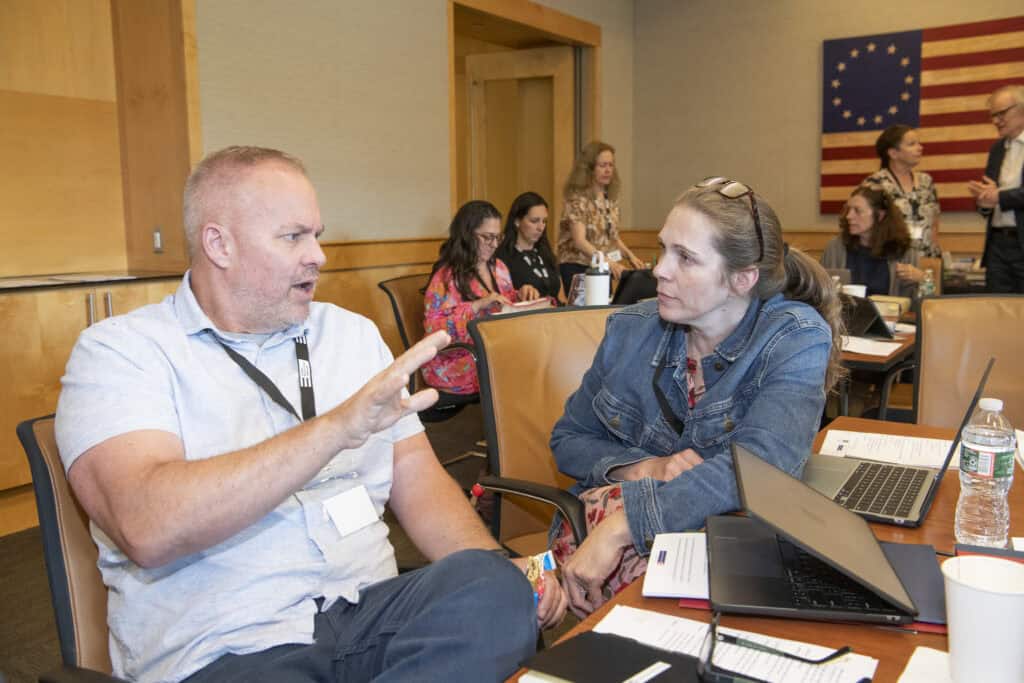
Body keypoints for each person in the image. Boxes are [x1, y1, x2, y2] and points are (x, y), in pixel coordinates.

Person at [54, 147, 566, 683]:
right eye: (293, 236)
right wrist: (335, 429)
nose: (318, 255)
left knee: (497, 590)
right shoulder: (121, 353)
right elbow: (146, 524)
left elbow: (418, 481)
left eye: (316, 235)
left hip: (368, 615)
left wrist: (502, 563)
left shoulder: (348, 335)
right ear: (218, 244)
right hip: (231, 646)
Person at [548, 177, 844, 616]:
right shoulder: (632, 329)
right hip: (628, 545)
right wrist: (645, 466)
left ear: (742, 278)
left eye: (685, 258)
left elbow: (759, 465)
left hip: (714, 543)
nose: (659, 270)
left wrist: (626, 525)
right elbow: (568, 441)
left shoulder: (793, 336)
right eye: (664, 248)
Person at [422, 200, 531, 395]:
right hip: (458, 359)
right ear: (467, 235)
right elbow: (433, 329)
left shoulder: (499, 267)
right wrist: (477, 305)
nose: (495, 244)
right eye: (487, 237)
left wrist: (522, 295)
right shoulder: (446, 277)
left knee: (533, 356)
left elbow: (506, 306)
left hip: (494, 349)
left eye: (498, 237)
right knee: (520, 364)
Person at [556, 141, 644, 293]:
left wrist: (631, 257)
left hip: (602, 265)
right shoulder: (577, 199)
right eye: (602, 165)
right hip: (578, 267)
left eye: (611, 165)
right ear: (589, 169)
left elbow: (613, 237)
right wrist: (609, 263)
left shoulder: (609, 198)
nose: (608, 170)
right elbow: (580, 241)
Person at [967, 84, 1024, 293]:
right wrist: (983, 201)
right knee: (997, 309)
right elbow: (989, 194)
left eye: (1001, 114)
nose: (995, 121)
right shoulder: (997, 149)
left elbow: (999, 196)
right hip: (997, 246)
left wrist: (998, 196)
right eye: (992, 115)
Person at [821, 185, 922, 298]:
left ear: (879, 215)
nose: (849, 216)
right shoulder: (836, 248)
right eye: (848, 210)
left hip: (889, 314)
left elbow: (915, 301)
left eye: (857, 211)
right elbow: (820, 292)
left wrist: (920, 279)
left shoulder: (904, 250)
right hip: (845, 314)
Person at [862, 125, 941, 258]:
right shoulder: (875, 183)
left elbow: (935, 223)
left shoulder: (926, 181)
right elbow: (868, 227)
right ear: (893, 153)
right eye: (912, 144)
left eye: (918, 143)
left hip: (926, 260)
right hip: (891, 260)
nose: (920, 147)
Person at [495, 191, 562, 303]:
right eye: (534, 221)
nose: (541, 227)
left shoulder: (547, 254)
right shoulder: (503, 257)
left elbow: (561, 296)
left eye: (544, 221)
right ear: (517, 221)